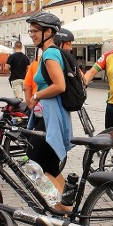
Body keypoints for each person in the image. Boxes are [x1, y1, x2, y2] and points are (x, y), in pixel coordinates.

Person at [25, 13, 73, 195]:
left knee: (33, 166)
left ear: (49, 32)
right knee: (50, 167)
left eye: (36, 30)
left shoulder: (50, 53)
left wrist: (36, 95)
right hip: (49, 116)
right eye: (31, 30)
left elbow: (60, 85)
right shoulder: (49, 52)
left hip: (50, 117)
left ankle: (57, 206)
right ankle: (66, 207)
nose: (32, 34)